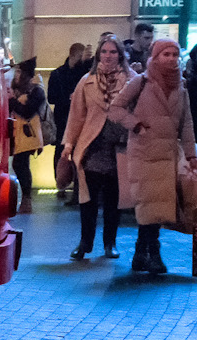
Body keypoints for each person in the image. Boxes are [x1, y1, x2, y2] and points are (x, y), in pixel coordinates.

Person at [109, 39, 196, 275]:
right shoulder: (141, 81)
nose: (171, 59)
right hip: (144, 153)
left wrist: (191, 155)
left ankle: (141, 252)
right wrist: (136, 125)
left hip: (167, 155)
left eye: (174, 55)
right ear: (155, 57)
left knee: (156, 205)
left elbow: (186, 123)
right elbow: (116, 109)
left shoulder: (181, 86)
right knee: (150, 204)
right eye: (166, 54)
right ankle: (153, 253)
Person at [60, 38, 138, 262]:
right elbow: (76, 116)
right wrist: (69, 144)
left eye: (113, 51)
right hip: (92, 147)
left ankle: (110, 243)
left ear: (120, 55)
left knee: (114, 200)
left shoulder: (132, 80)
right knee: (88, 199)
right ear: (98, 55)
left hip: (120, 147)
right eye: (104, 51)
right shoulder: (87, 81)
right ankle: (85, 242)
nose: (108, 55)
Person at [49, 43, 91, 202]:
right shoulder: (59, 74)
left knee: (74, 152)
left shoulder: (83, 73)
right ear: (74, 55)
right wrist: (69, 99)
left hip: (72, 117)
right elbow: (51, 97)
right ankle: (61, 183)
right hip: (64, 117)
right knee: (62, 151)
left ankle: (73, 189)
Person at [7, 58, 46, 215]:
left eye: (19, 72)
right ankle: (25, 200)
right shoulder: (19, 89)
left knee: (21, 164)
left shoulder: (37, 91)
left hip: (28, 135)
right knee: (20, 165)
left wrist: (12, 100)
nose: (16, 75)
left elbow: (27, 111)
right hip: (18, 134)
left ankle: (27, 200)